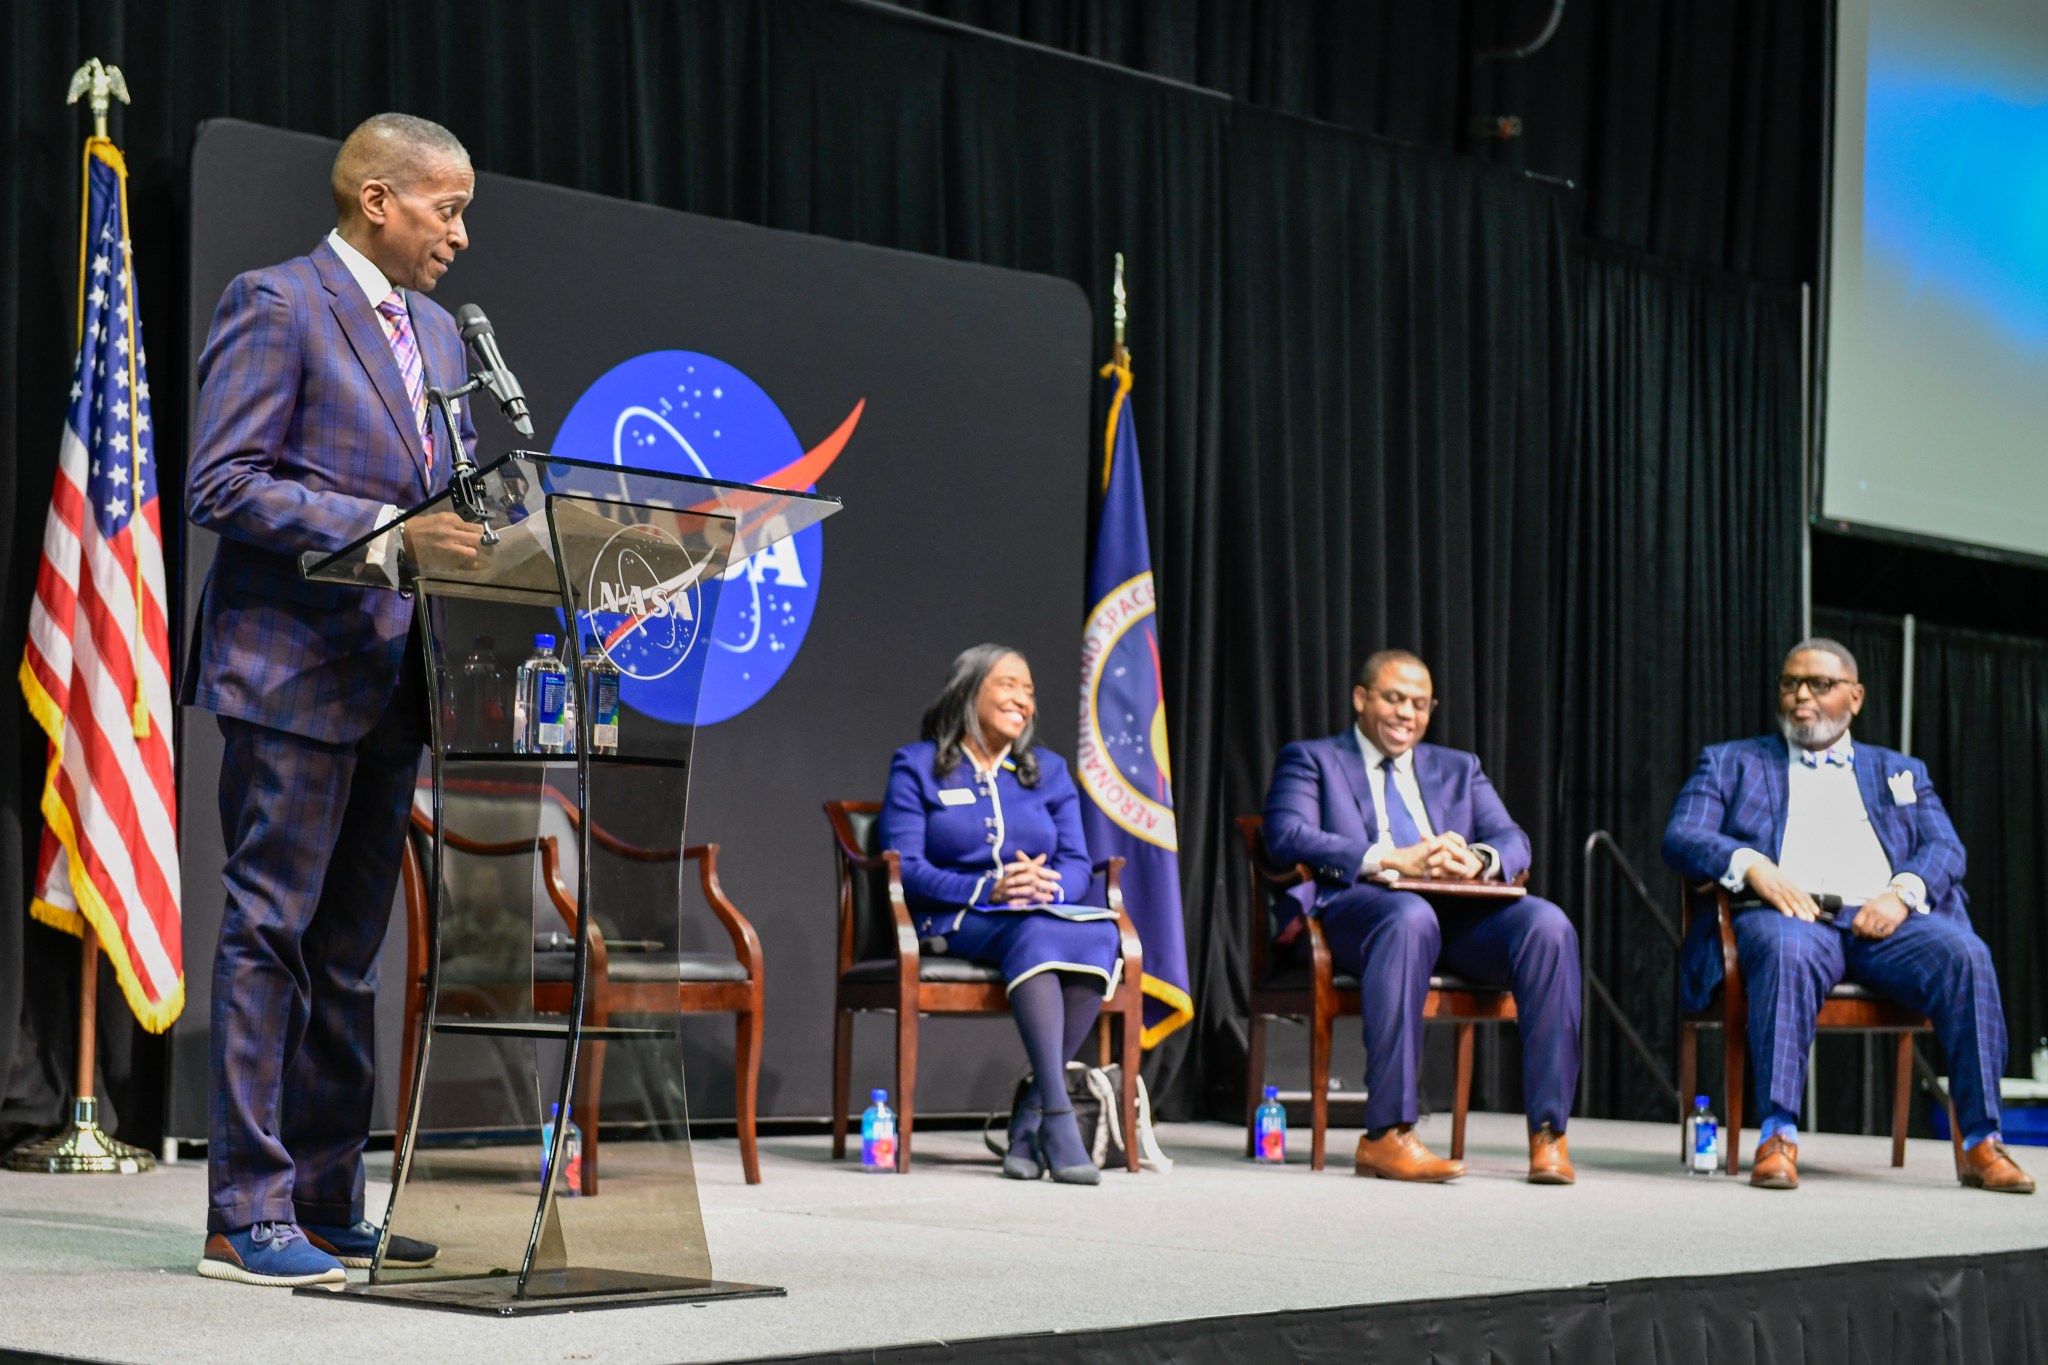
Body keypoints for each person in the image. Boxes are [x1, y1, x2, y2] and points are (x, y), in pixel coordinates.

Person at [183, 113, 487, 1287]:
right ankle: (242, 1212)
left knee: (350, 954)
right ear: (376, 198)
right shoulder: (278, 303)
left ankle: (324, 1195)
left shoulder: (446, 337)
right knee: (272, 932)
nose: (459, 233)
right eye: (445, 208)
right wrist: (383, 531)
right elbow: (224, 479)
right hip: (294, 668)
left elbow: (444, 496)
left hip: (400, 675)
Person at [1661, 638, 2033, 1193]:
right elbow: (1682, 834)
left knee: (1966, 955)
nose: (1800, 695)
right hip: (1789, 913)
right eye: (1790, 683)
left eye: (1819, 684)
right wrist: (1753, 866)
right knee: (1786, 951)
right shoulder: (1731, 760)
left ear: (1855, 698)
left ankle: (1981, 1142)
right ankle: (1778, 1135)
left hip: (1882, 922)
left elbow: (1945, 848)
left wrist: (1901, 893)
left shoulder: (1899, 771)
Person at [1263, 650, 1581, 1184]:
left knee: (1548, 926)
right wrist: (1391, 858)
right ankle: (1387, 1134)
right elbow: (1287, 834)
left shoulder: (1460, 767)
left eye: (1419, 703)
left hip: (1456, 918)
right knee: (1409, 917)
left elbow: (1513, 840)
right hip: (1356, 913)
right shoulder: (1312, 759)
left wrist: (1476, 859)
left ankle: (1549, 1134)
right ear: (1361, 699)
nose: (1407, 713)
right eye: (1393, 698)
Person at [880, 644, 1125, 1184]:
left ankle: (1031, 1117)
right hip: (951, 921)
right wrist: (988, 887)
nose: (1024, 699)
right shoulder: (918, 766)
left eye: (1030, 691)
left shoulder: (1049, 771)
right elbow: (907, 868)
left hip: (1034, 915)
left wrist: (1046, 883)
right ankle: (1057, 1119)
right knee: (1040, 934)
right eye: (1010, 684)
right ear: (969, 691)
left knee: (1100, 936)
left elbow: (1078, 861)